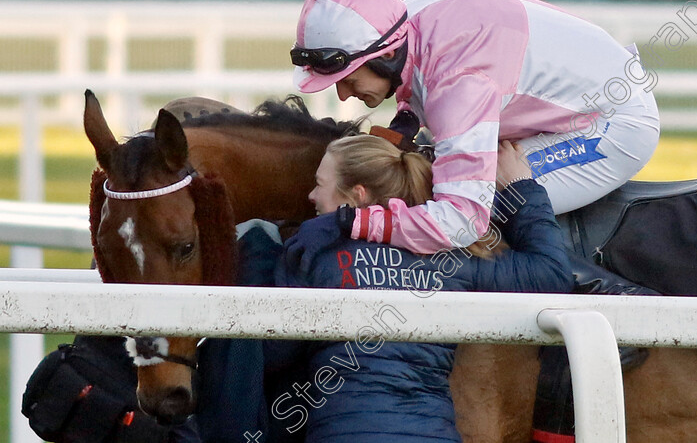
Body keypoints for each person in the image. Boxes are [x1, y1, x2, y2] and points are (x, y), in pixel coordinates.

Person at [196, 134, 653, 442]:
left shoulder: (318, 255)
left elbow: (270, 355)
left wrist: (256, 255)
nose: (312, 199)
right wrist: (522, 191)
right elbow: (550, 274)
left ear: (356, 196)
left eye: (319, 186)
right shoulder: (456, 258)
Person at [290, 0, 660, 254]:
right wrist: (405, 123)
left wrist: (352, 221)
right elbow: (418, 77)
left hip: (615, 124)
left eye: (349, 79)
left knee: (472, 202)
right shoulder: (402, 21)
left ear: (386, 56)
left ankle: (596, 301)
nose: (342, 94)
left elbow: (460, 222)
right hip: (575, 94)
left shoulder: (457, 83)